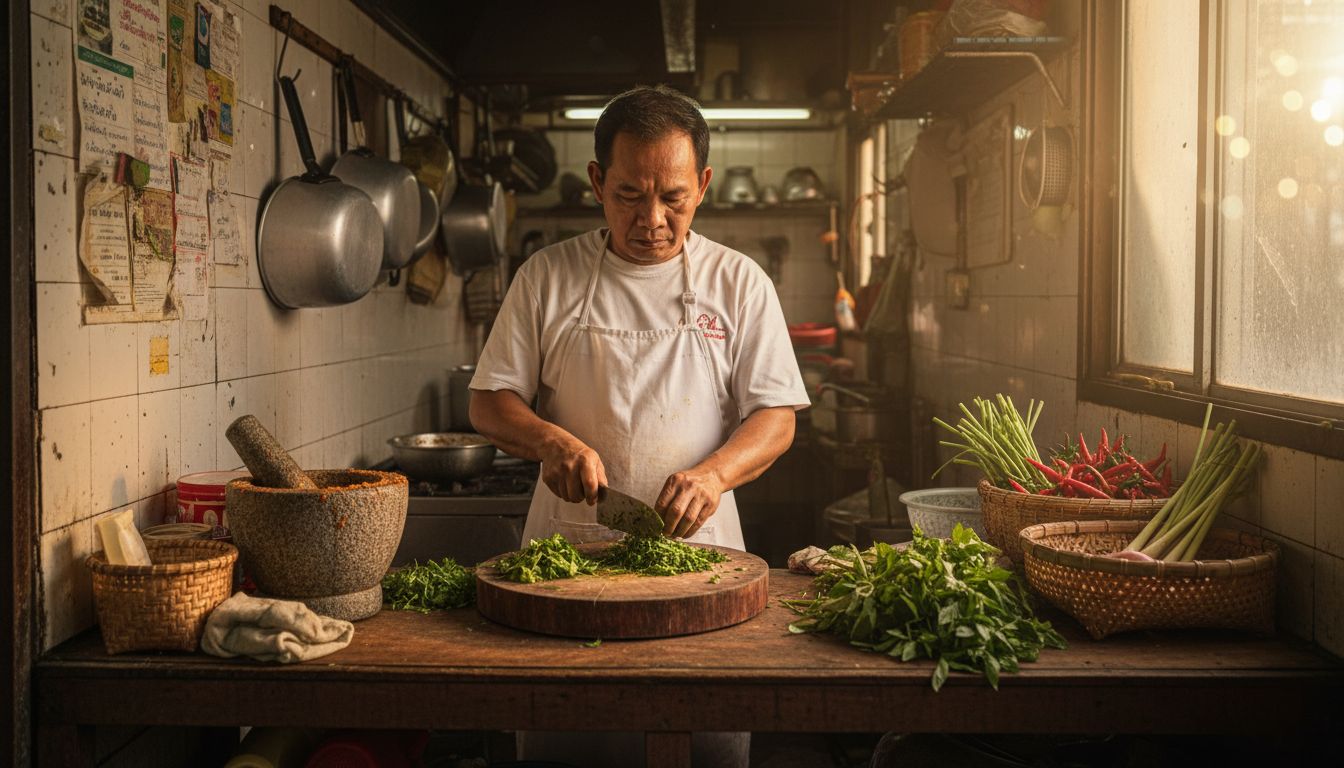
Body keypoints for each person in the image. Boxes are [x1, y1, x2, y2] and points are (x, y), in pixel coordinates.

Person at [468, 85, 810, 768]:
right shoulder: (547, 276)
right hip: (566, 569)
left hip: (700, 566)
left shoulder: (740, 283)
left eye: (673, 196)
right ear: (598, 182)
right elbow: (488, 401)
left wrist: (715, 474)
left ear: (704, 185)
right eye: (629, 195)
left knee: (702, 733)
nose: (652, 218)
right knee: (570, 743)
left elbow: (776, 418)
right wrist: (549, 440)